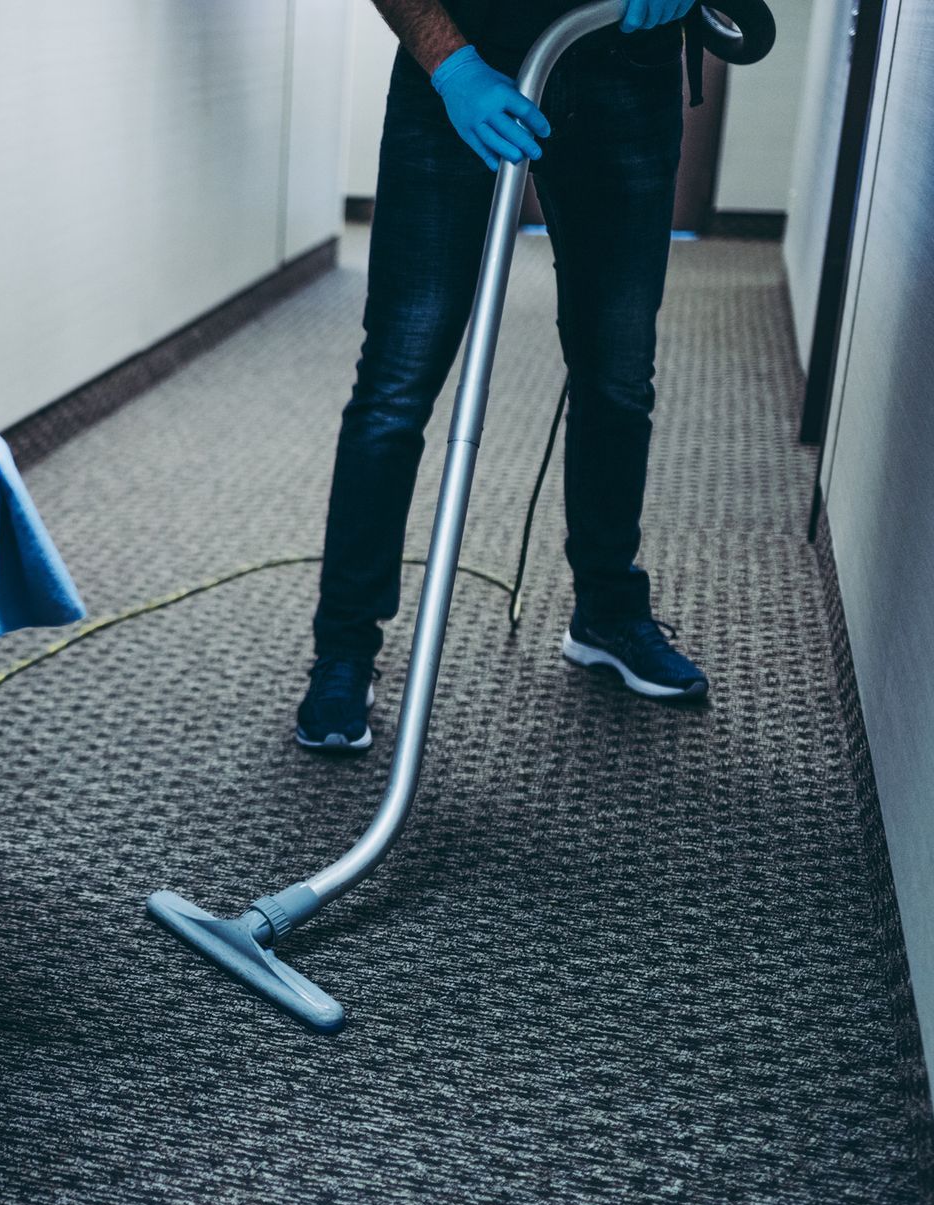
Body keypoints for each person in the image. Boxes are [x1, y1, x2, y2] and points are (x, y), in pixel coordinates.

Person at [298, 0, 710, 753]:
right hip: (461, 58)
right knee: (398, 376)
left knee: (617, 372)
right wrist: (452, 69)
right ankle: (344, 650)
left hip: (628, 62)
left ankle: (609, 612)